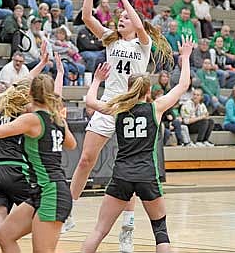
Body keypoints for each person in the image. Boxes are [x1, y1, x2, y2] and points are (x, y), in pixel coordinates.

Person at [71, 0, 171, 251]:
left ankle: (127, 225)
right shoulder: (111, 42)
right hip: (109, 106)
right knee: (85, 160)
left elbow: (139, 24)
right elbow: (87, 15)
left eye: (125, 17)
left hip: (133, 109)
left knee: (129, 167)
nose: (122, 19)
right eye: (120, 17)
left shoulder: (143, 44)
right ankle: (67, 210)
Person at [82, 36, 194, 253]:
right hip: (147, 175)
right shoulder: (156, 108)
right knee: (160, 232)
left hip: (121, 175)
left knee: (99, 230)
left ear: (128, 87)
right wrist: (186, 57)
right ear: (148, 91)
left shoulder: (118, 108)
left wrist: (97, 80)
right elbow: (183, 84)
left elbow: (90, 102)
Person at [0, 72, 76, 252]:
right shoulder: (57, 119)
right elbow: (71, 144)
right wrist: (61, 121)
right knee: (5, 235)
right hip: (41, 192)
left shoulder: (33, 119)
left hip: (51, 192)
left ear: (29, 93)